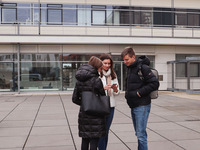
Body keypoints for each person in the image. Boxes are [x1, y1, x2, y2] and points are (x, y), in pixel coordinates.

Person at [121, 47, 159, 150]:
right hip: (134, 105)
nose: (125, 62)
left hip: (142, 105)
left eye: (127, 59)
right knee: (139, 133)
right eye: (124, 60)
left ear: (133, 57)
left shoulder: (143, 68)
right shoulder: (130, 68)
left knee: (141, 135)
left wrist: (139, 93)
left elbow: (155, 83)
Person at [72, 56, 106, 150]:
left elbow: (75, 98)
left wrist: (85, 104)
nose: (100, 70)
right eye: (100, 68)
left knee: (85, 140)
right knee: (94, 141)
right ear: (96, 67)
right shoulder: (96, 80)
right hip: (96, 114)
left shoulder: (79, 79)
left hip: (84, 114)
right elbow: (102, 97)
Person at [98, 54, 120, 150]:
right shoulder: (97, 74)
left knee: (106, 131)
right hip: (100, 106)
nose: (107, 65)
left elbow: (117, 92)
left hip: (110, 106)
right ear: (100, 63)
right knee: (101, 131)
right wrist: (104, 88)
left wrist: (115, 89)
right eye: (105, 63)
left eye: (109, 63)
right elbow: (93, 90)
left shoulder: (113, 75)